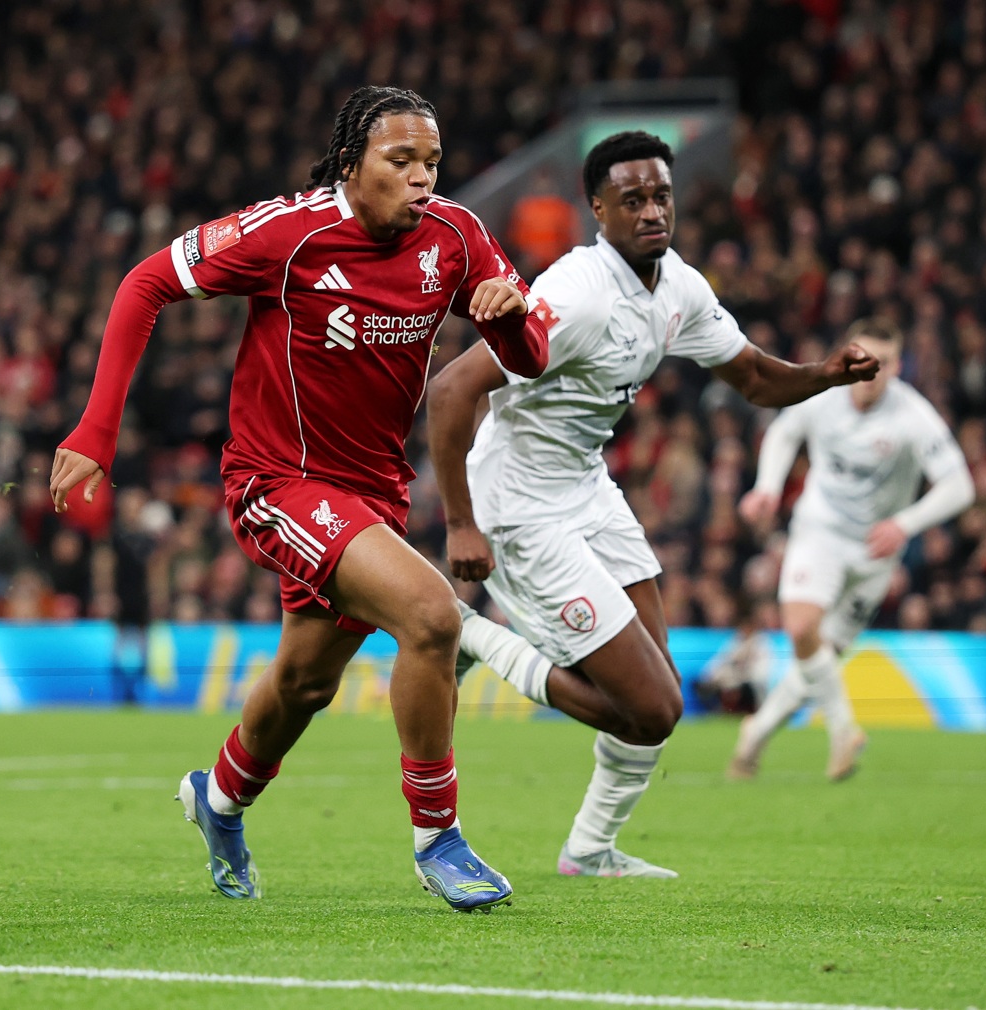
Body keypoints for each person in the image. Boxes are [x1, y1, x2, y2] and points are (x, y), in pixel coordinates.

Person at [50, 86, 548, 911]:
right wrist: (97, 431)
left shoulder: (456, 236)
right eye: (400, 161)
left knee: (304, 685)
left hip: (374, 495)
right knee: (431, 616)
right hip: (276, 482)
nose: (422, 178)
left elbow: (527, 357)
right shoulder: (285, 232)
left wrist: (508, 316)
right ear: (352, 166)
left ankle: (215, 802)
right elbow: (145, 284)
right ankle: (438, 837)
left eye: (431, 162)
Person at [426, 131, 879, 878]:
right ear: (597, 208)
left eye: (660, 195)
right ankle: (472, 637)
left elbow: (757, 380)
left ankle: (589, 850)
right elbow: (451, 391)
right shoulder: (573, 295)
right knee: (652, 709)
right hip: (520, 507)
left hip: (584, 488)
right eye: (630, 199)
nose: (650, 211)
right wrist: (463, 521)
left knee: (656, 690)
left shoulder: (679, 288)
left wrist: (827, 373)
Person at [729, 319, 974, 781]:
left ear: (898, 367)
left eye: (882, 364)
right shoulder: (822, 391)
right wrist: (768, 487)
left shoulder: (912, 415)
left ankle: (754, 736)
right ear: (849, 353)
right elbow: (784, 432)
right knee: (802, 629)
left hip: (876, 553)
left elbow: (960, 485)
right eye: (863, 359)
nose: (871, 373)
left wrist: (905, 524)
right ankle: (844, 732)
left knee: (818, 663)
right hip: (820, 531)